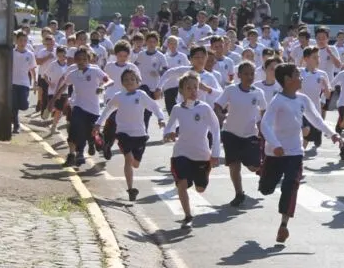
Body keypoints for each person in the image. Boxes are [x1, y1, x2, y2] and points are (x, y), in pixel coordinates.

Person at [260, 64, 340, 242]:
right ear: (288, 79)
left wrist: (332, 134)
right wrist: (275, 144)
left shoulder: (303, 99)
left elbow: (316, 119)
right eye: (298, 74)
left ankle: (283, 225)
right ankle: (263, 173)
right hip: (275, 153)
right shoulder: (277, 100)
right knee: (266, 189)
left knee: (291, 184)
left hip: (295, 152)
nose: (302, 77)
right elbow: (264, 125)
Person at [94, 69, 165, 201]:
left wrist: (161, 118)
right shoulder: (118, 96)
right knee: (128, 158)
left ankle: (132, 172)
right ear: (122, 83)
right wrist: (98, 123)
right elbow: (107, 109)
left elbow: (154, 106)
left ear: (138, 82)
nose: (129, 82)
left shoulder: (141, 95)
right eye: (126, 79)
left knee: (135, 163)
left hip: (140, 135)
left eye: (132, 79)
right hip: (123, 133)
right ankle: (131, 189)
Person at [163, 72, 222, 229]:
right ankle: (188, 216)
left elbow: (216, 130)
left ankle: (204, 172)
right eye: (188, 88)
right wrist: (168, 134)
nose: (193, 91)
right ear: (181, 91)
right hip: (181, 152)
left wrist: (215, 154)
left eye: (195, 87)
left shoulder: (205, 108)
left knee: (200, 188)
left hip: (201, 154)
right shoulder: (177, 109)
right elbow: (170, 126)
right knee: (181, 184)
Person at [215, 61, 267, 207]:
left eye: (252, 74)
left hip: (250, 134)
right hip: (230, 133)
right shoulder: (231, 90)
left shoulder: (258, 92)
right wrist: (220, 116)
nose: (249, 76)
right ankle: (239, 193)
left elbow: (264, 112)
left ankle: (263, 170)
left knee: (253, 167)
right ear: (239, 75)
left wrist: (264, 130)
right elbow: (218, 105)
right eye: (246, 74)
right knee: (234, 165)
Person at [55, 48, 113, 167]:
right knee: (75, 129)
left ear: (89, 59)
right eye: (79, 59)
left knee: (91, 135)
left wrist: (103, 87)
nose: (82, 62)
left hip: (93, 109)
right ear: (75, 60)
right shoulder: (73, 74)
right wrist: (53, 99)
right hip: (78, 106)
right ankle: (77, 154)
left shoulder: (95, 71)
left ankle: (102, 144)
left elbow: (109, 81)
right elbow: (64, 85)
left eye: (84, 59)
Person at [102, 41, 142, 159]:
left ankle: (108, 142)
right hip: (111, 97)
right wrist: (103, 87)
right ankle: (108, 143)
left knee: (120, 123)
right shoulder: (109, 66)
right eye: (120, 56)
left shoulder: (132, 67)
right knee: (114, 120)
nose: (123, 58)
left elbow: (139, 81)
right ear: (116, 54)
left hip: (127, 98)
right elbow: (104, 80)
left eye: (125, 56)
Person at [133, 33, 168, 130]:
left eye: (154, 42)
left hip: (154, 86)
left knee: (148, 111)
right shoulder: (141, 54)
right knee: (142, 109)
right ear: (146, 42)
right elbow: (134, 67)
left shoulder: (160, 56)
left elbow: (166, 71)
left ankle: (144, 130)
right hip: (142, 85)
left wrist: (158, 72)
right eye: (149, 42)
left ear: (157, 43)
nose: (151, 44)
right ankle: (143, 131)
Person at [300, 46, 332, 148]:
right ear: (306, 59)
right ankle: (299, 156)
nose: (318, 59)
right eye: (314, 57)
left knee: (312, 138)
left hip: (315, 109)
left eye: (318, 57)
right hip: (300, 108)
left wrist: (325, 85)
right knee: (305, 131)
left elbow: (328, 95)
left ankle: (301, 153)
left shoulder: (322, 74)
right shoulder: (299, 72)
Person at [11, 30, 37, 134]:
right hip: (12, 83)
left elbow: (32, 69)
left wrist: (35, 82)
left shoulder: (30, 54)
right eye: (20, 40)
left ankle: (16, 121)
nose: (23, 42)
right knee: (14, 106)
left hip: (24, 83)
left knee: (23, 105)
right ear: (16, 41)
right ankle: (16, 126)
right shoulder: (12, 53)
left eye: (25, 40)